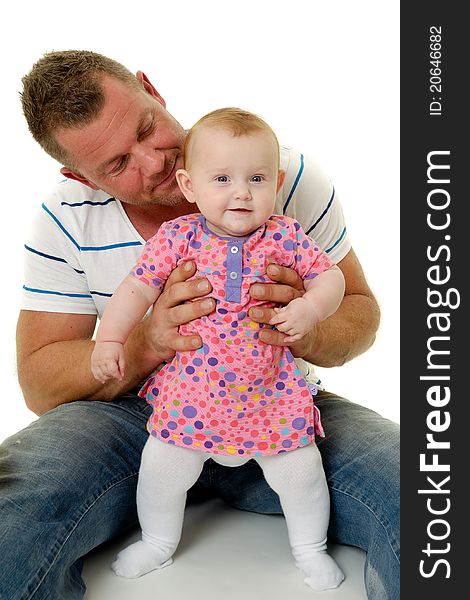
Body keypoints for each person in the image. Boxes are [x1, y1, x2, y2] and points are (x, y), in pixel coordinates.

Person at [0, 50, 399, 600]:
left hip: (277, 397)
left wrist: (307, 327)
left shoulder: (281, 177)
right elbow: (38, 382)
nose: (153, 160)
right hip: (145, 409)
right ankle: (158, 536)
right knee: (10, 518)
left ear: (151, 89)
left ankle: (310, 550)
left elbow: (359, 306)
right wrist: (142, 342)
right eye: (118, 164)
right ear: (79, 175)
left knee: (425, 497)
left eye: (147, 128)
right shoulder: (64, 218)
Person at [91, 107, 346, 591]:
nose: (241, 192)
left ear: (278, 180)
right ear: (190, 187)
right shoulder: (178, 237)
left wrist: (311, 309)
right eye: (223, 178)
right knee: (162, 467)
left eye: (256, 178)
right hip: (195, 392)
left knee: (301, 472)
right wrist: (110, 338)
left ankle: (309, 549)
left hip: (269, 391)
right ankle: (159, 542)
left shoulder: (285, 235)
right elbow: (137, 289)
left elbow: (330, 278)